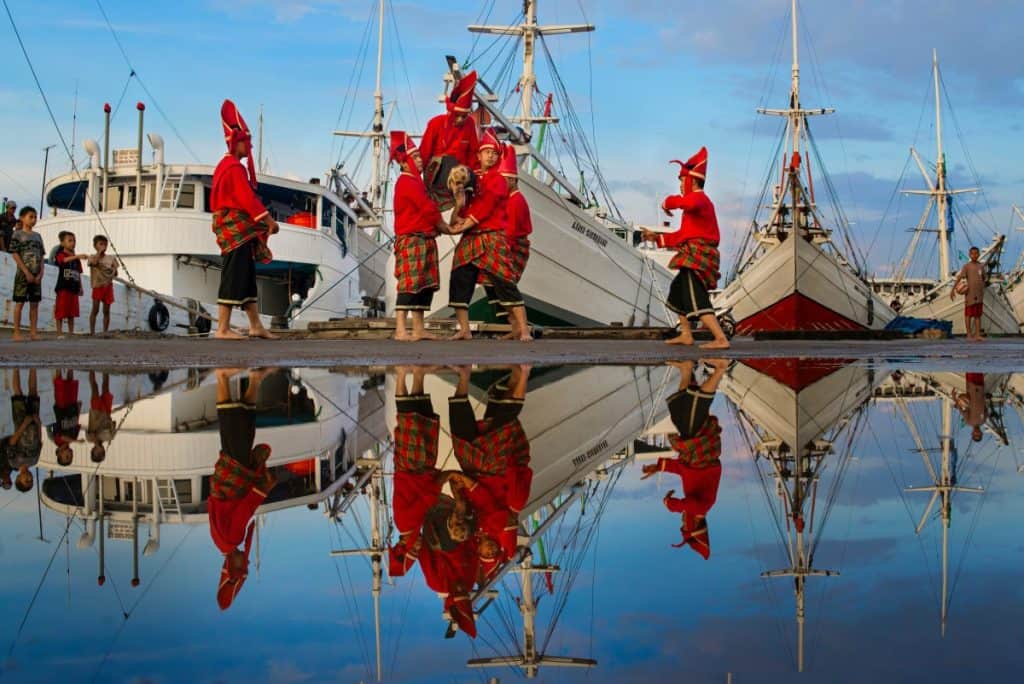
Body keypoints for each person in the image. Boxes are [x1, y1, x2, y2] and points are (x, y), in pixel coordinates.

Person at [641, 148, 730, 350]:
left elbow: (686, 203)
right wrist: (656, 238)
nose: (681, 185)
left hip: (698, 257)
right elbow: (683, 236)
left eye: (682, 181)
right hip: (692, 254)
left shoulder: (700, 199)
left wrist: (667, 203)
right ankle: (687, 334)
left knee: (696, 297)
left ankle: (720, 338)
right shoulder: (694, 206)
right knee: (678, 292)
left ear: (692, 181)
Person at [447, 130, 532, 342]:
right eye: (486, 152)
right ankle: (464, 329)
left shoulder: (498, 180)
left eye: (494, 153)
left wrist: (460, 225)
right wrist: (458, 204)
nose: (490, 156)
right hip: (471, 237)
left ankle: (524, 331)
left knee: (505, 282)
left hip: (492, 237)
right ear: (478, 156)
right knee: (460, 277)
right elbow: (461, 213)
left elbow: (485, 206)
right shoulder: (471, 178)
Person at [640, 359, 728, 559]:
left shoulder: (695, 499)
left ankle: (687, 370)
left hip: (693, 457)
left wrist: (659, 467)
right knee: (693, 412)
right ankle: (721, 369)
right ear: (694, 526)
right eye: (684, 526)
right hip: (702, 455)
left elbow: (683, 470)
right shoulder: (703, 507)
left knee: (681, 412)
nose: (682, 522)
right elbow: (688, 504)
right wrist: (671, 505)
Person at [208, 367, 276, 610]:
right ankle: (254, 381)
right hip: (226, 478)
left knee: (234, 425)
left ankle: (222, 377)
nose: (245, 562)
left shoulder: (232, 538)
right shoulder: (220, 543)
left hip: (234, 478)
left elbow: (244, 509)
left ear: (231, 567)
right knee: (242, 428)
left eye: (242, 566)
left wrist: (263, 489)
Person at [211, 100, 279, 340]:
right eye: (246, 143)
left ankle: (255, 326)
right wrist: (269, 220)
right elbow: (247, 199)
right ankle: (222, 329)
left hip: (237, 230)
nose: (248, 147)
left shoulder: (226, 166)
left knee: (247, 276)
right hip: (236, 230)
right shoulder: (233, 168)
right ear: (236, 142)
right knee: (233, 275)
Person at [389, 132, 449, 341]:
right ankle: (400, 329)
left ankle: (418, 329)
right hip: (412, 238)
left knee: (424, 285)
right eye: (415, 158)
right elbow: (428, 209)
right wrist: (445, 226)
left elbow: (429, 208)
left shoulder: (416, 183)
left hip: (424, 238)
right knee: (409, 284)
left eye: (419, 157)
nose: (419, 161)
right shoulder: (407, 182)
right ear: (404, 163)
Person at [480, 144, 533, 339]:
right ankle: (515, 328)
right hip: (503, 246)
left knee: (508, 287)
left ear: (512, 180)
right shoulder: (508, 199)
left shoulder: (516, 201)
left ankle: (523, 329)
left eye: (503, 181)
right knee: (496, 287)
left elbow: (510, 231)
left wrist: (501, 253)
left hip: (510, 247)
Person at [419, 70, 480, 207]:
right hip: (438, 177)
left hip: (462, 178)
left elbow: (473, 153)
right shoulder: (435, 123)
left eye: (464, 116)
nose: (460, 120)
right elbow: (424, 153)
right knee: (448, 162)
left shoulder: (469, 123)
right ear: (451, 111)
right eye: (457, 115)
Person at [9, 206, 44, 341]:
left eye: (35, 217)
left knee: (34, 304)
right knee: (20, 302)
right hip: (23, 275)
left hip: (36, 275)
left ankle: (33, 332)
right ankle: (16, 332)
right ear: (22, 218)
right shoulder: (17, 234)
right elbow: (15, 254)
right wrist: (26, 272)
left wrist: (40, 273)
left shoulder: (38, 236)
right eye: (31, 217)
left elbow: (41, 256)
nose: (34, 219)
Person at [7, 369, 42, 493]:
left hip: (21, 422)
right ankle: (33, 368)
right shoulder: (34, 460)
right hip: (33, 423)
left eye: (26, 480)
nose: (29, 478)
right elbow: (39, 441)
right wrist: (38, 423)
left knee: (18, 394)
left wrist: (23, 424)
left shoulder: (14, 463)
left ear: (18, 479)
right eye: (31, 480)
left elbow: (12, 442)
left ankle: (15, 368)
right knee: (33, 393)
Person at [47, 369, 83, 467]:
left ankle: (57, 365)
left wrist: (75, 441)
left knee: (60, 384)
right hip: (72, 409)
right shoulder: (73, 438)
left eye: (67, 457)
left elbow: (62, 436)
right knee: (71, 383)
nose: (70, 455)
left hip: (61, 408)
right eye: (71, 457)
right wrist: (79, 409)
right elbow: (76, 423)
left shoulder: (57, 441)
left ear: (59, 453)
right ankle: (70, 365)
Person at [53, 231, 86, 337]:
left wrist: (80, 287)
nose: (73, 243)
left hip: (74, 287)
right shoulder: (60, 254)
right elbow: (63, 260)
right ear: (62, 243)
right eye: (70, 240)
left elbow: (78, 273)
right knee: (61, 311)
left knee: (72, 312)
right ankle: (59, 333)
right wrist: (77, 257)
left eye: (74, 241)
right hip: (63, 287)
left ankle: (71, 332)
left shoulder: (76, 259)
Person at [951, 246, 985, 341]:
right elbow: (959, 278)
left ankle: (978, 334)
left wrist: (982, 287)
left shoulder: (981, 266)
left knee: (978, 315)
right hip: (970, 295)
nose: (974, 255)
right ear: (969, 255)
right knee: (968, 315)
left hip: (979, 295)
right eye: (972, 253)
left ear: (979, 254)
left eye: (976, 253)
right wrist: (952, 289)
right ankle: (969, 334)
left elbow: (984, 278)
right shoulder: (966, 266)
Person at [87, 235, 118, 334]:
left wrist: (113, 270)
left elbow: (116, 272)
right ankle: (92, 332)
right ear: (95, 246)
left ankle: (105, 331)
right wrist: (99, 252)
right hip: (97, 286)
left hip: (108, 286)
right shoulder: (92, 257)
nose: (103, 246)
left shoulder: (111, 258)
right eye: (101, 244)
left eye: (105, 244)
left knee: (106, 311)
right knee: (95, 309)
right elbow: (93, 263)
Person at [86, 371, 116, 463]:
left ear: (93, 450)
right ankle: (105, 369)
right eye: (102, 453)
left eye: (97, 453)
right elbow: (113, 423)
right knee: (105, 386)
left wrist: (96, 442)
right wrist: (112, 430)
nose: (100, 451)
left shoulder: (90, 439)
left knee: (94, 387)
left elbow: (92, 434)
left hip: (96, 412)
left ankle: (91, 369)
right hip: (106, 411)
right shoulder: (109, 437)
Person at [954, 372, 987, 443]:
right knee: (979, 370)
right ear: (981, 433)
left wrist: (954, 398)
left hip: (972, 388)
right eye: (979, 435)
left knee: (970, 369)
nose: (977, 433)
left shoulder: (969, 422)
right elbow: (985, 407)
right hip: (981, 389)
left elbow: (961, 409)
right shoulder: (983, 420)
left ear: (972, 434)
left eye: (975, 435)